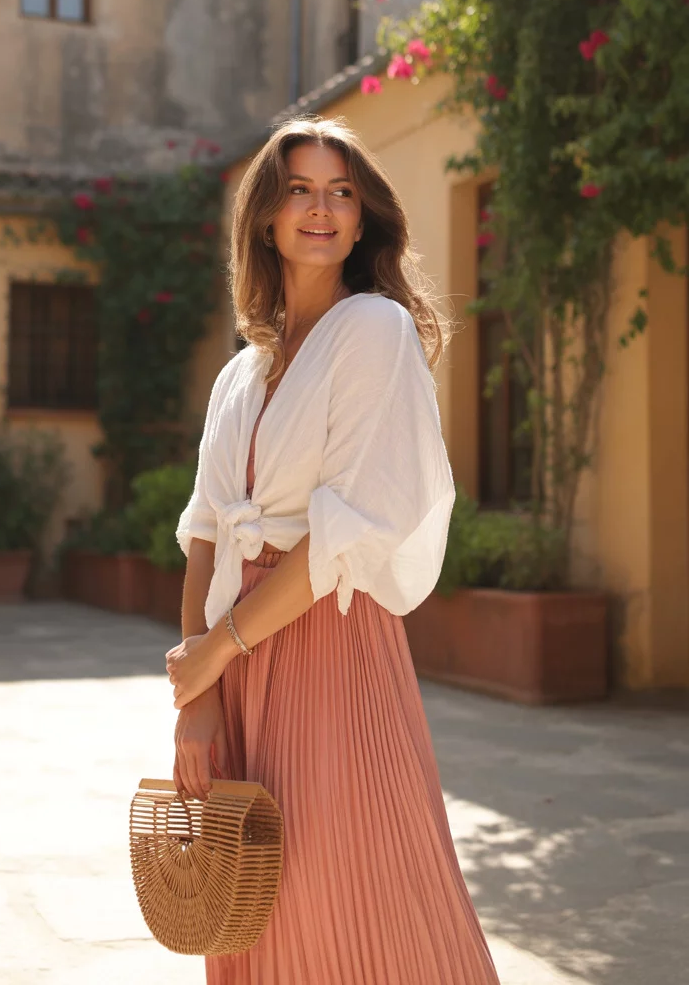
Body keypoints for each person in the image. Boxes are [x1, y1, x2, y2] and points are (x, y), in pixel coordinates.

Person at [165, 115, 500, 984]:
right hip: (234, 664)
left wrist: (215, 651)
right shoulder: (241, 372)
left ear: (362, 220)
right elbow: (205, 531)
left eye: (341, 192)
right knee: (247, 910)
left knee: (357, 897)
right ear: (267, 216)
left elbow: (342, 533)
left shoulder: (375, 331)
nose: (321, 209)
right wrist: (196, 694)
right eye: (301, 190)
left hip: (328, 646)